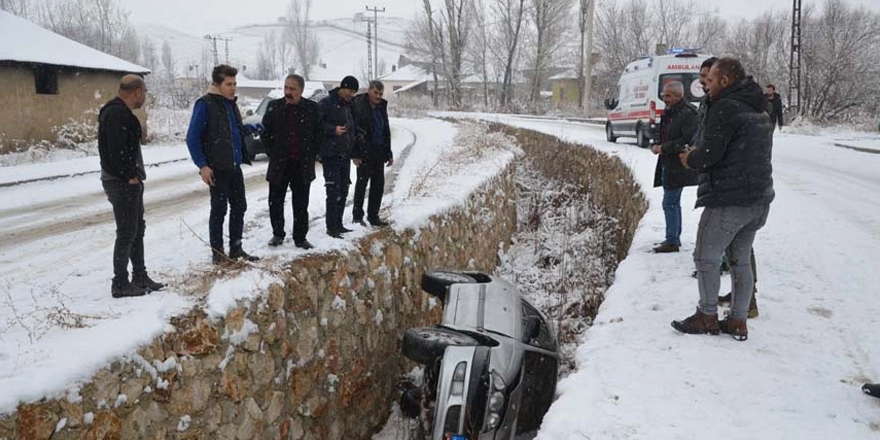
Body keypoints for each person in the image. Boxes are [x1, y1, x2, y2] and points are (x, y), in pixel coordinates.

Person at [672, 58, 774, 341]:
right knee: (740, 259)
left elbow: (710, 153)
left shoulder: (726, 107)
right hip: (758, 200)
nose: (706, 85)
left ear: (725, 81)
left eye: (711, 80)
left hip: (729, 199)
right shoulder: (759, 107)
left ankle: (706, 316)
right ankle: (739, 321)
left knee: (705, 256)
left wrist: (690, 158)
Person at [186, 64, 261, 264]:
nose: (233, 88)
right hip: (217, 167)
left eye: (235, 83)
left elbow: (233, 131)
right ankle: (218, 255)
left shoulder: (230, 104)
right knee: (219, 210)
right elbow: (192, 138)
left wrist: (250, 128)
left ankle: (236, 249)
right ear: (217, 84)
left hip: (234, 165)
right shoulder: (205, 104)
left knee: (239, 206)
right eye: (228, 84)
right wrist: (202, 166)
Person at [98, 74, 165, 298]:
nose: (145, 96)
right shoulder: (117, 113)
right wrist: (130, 177)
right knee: (127, 232)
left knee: (136, 230)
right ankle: (120, 283)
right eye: (144, 92)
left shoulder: (120, 112)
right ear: (137, 91)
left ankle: (139, 275)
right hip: (121, 183)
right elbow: (117, 152)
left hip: (126, 181)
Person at [262, 74, 323, 249]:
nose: (288, 92)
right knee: (275, 201)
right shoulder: (274, 107)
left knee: (301, 203)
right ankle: (277, 234)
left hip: (301, 165)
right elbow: (266, 134)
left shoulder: (312, 108)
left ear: (301, 91)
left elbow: (319, 134)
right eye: (286, 88)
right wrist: (274, 153)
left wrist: (312, 154)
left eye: (292, 89)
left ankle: (300, 237)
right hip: (279, 164)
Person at [650, 81, 699, 253]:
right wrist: (657, 142)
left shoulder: (689, 114)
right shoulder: (670, 112)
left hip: (679, 163)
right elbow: (664, 134)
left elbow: (687, 140)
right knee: (671, 202)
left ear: (678, 96)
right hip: (668, 163)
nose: (664, 98)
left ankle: (672, 240)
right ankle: (672, 238)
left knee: (670, 202)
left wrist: (663, 148)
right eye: (664, 95)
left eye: (668, 95)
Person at [318, 75, 360, 238]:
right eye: (350, 91)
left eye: (354, 92)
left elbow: (354, 126)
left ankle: (339, 223)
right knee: (333, 190)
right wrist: (332, 130)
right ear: (342, 88)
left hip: (345, 155)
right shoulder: (327, 103)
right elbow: (316, 124)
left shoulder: (350, 106)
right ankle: (331, 226)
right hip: (330, 154)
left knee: (343, 189)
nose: (352, 94)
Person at [351, 80, 393, 227]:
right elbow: (354, 130)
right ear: (369, 90)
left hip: (379, 151)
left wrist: (388, 152)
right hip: (364, 151)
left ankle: (373, 216)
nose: (378, 96)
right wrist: (355, 153)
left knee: (378, 185)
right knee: (362, 184)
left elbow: (385, 130)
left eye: (380, 94)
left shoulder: (382, 107)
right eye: (375, 93)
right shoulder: (358, 105)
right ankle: (357, 217)